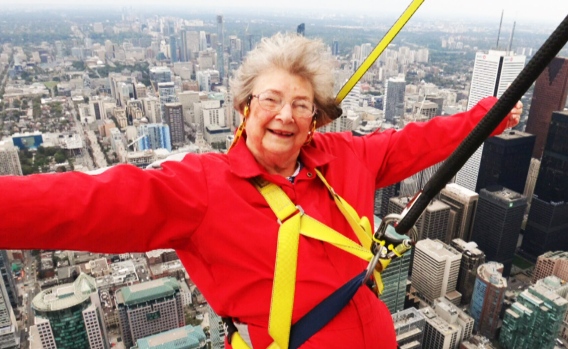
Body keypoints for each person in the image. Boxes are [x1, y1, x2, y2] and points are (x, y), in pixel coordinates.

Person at [0, 33, 522, 349]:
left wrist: (486, 117)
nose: (285, 115)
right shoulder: (202, 189)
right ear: (244, 107)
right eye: (271, 100)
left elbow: (416, 142)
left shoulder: (343, 159)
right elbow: (82, 202)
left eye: (301, 105)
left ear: (316, 118)